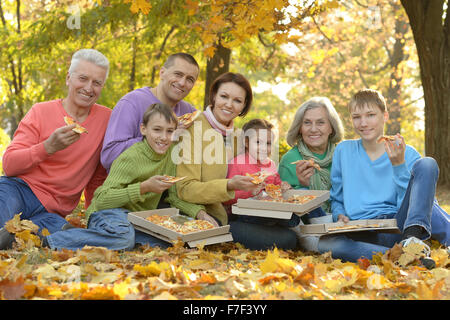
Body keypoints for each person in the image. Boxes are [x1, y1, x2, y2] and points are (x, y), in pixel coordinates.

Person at [44, 103, 207, 250]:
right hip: (107, 213)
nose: (164, 137)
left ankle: (94, 236)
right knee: (124, 238)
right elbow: (101, 200)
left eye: (169, 131)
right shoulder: (130, 158)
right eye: (157, 130)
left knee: (170, 241)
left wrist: (201, 215)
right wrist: (144, 188)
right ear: (143, 129)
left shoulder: (171, 154)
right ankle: (55, 240)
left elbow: (174, 197)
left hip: (138, 221)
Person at [318, 88, 450, 266]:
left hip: (396, 227)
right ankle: (406, 258)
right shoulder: (343, 150)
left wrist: (398, 166)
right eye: (357, 117)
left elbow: (415, 206)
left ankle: (411, 240)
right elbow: (337, 197)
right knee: (328, 244)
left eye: (371, 115)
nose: (363, 123)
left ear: (385, 116)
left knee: (427, 164)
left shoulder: (407, 153)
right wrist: (339, 214)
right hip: (361, 229)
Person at [0, 49, 111, 249]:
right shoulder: (40, 111)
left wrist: (92, 213)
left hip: (53, 213)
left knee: (70, 236)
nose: (88, 87)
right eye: (83, 78)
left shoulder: (106, 120)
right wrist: (48, 147)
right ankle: (10, 235)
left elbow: (97, 176)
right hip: (19, 191)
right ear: (69, 78)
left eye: (96, 83)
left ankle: (14, 236)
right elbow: (9, 166)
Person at [101, 52, 200, 172]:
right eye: (178, 74)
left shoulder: (189, 112)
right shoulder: (132, 102)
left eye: (190, 79)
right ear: (162, 73)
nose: (182, 83)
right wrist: (157, 138)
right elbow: (109, 156)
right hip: (130, 186)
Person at [222, 118, 301, 249]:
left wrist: (283, 186)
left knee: (291, 216)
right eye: (258, 142)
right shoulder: (237, 163)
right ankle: (289, 227)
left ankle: (291, 226)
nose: (264, 148)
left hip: (268, 211)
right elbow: (228, 197)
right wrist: (251, 192)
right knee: (285, 226)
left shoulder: (271, 164)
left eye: (268, 143)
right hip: (243, 215)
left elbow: (276, 185)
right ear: (246, 142)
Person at [279, 97, 345, 214]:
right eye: (307, 123)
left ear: (331, 127)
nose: (313, 129)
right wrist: (303, 188)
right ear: (300, 128)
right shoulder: (289, 160)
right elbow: (283, 207)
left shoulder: (343, 155)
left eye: (320, 122)